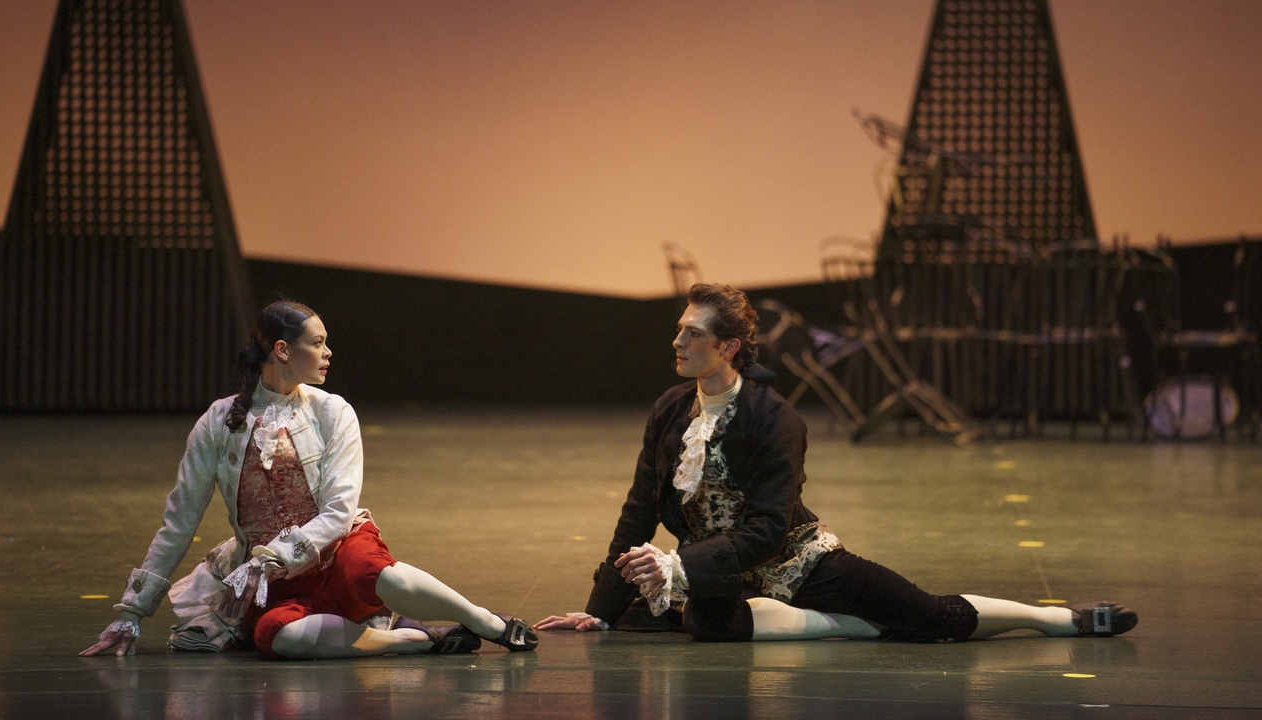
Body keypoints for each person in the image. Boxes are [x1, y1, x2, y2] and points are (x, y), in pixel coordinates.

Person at [536, 283, 1136, 643]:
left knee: (932, 619)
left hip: (795, 562)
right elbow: (639, 510)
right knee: (699, 624)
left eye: (692, 334)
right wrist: (599, 614)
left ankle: (1061, 621)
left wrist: (679, 566)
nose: (677, 342)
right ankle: (852, 626)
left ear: (728, 347)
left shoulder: (774, 419)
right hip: (720, 576)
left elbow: (768, 529)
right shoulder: (671, 409)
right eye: (679, 330)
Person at [82, 300, 537, 659]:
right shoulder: (219, 422)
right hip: (272, 577)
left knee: (371, 570)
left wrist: (279, 554)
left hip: (337, 550)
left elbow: (339, 512)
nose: (328, 353)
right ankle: (415, 641)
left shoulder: (331, 411)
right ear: (283, 350)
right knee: (276, 636)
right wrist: (132, 611)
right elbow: (180, 520)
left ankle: (487, 622)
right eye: (318, 343)